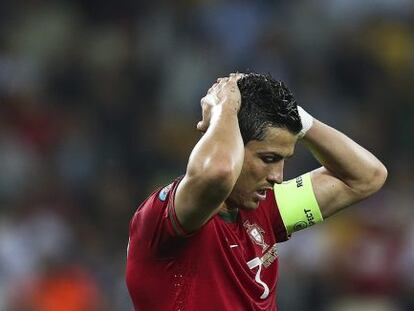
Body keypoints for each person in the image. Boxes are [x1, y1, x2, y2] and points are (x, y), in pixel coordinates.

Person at [125, 73, 387, 310]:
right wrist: (224, 105)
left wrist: (301, 121)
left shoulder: (267, 208)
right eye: (269, 158)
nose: (278, 177)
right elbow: (219, 172)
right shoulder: (170, 220)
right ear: (235, 146)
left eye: (284, 159)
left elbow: (367, 177)